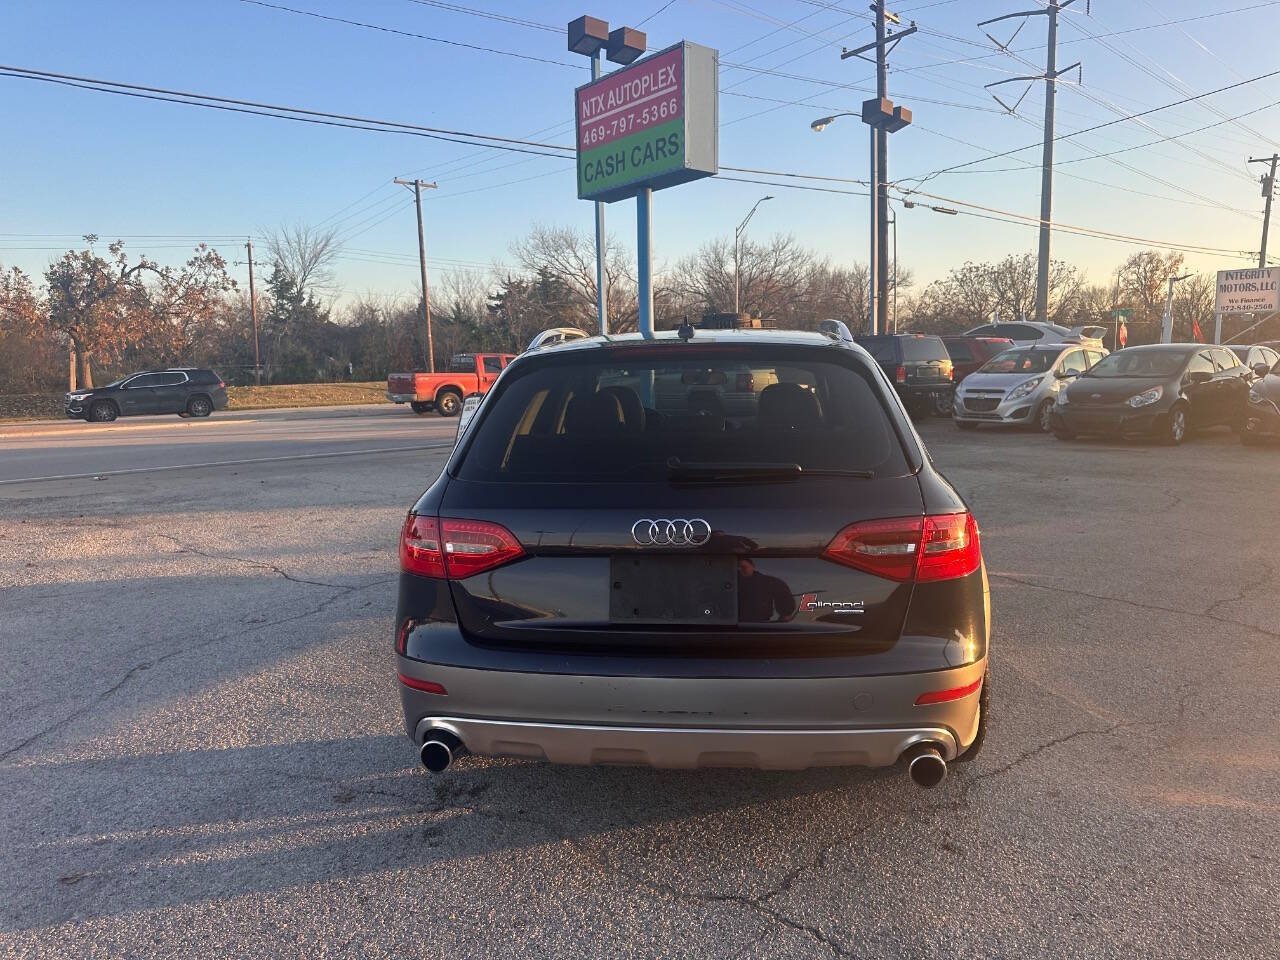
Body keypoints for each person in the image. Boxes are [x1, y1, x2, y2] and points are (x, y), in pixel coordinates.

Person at [737, 558, 797, 623]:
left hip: (762, 625)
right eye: (736, 568)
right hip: (729, 626)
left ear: (753, 567)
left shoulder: (769, 582)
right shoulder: (727, 584)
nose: (739, 570)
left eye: (743, 567)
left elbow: (784, 598)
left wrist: (785, 615)